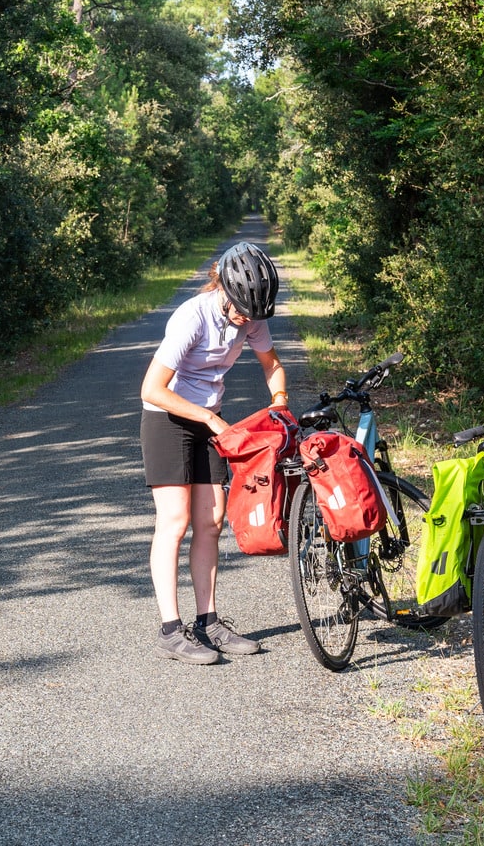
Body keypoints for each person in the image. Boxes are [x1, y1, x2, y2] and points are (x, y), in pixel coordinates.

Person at [139, 241, 288, 664]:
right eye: (241, 309)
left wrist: (279, 399)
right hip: (167, 417)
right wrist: (207, 419)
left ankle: (209, 621)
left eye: (254, 314)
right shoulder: (192, 316)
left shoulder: (252, 316)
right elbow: (151, 389)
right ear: (222, 286)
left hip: (208, 417)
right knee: (176, 519)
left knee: (212, 520)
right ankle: (171, 630)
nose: (246, 320)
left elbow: (271, 364)